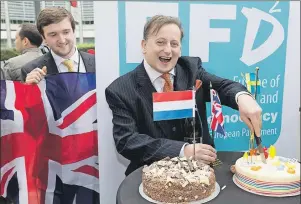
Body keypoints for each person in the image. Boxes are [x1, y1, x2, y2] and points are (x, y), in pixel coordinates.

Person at [105, 15, 262, 176]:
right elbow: (127, 141)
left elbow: (223, 86)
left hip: (203, 170)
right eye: (160, 42)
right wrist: (182, 151)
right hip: (152, 174)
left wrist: (243, 97)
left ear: (180, 49)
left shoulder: (191, 70)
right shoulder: (120, 90)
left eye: (174, 44)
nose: (167, 50)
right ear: (144, 46)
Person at [20, 7, 95, 84]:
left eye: (66, 32)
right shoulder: (30, 71)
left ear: (73, 31)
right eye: (53, 34)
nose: (62, 40)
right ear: (44, 38)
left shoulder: (97, 62)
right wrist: (29, 90)